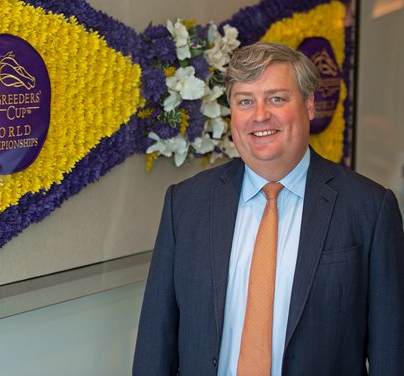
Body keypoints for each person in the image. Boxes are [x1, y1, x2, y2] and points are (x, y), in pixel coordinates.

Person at [132, 42, 404, 376]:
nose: (260, 115)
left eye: (276, 98)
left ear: (308, 105)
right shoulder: (185, 203)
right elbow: (154, 344)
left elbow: (391, 352)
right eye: (245, 101)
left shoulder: (370, 209)